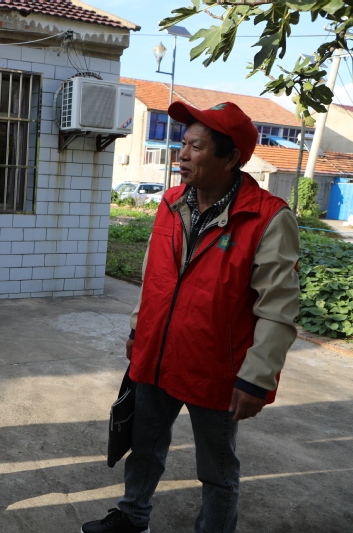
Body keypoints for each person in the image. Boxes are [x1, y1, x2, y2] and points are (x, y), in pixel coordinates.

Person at [81, 102, 300, 533]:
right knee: (143, 445)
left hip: (215, 368)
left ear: (230, 157)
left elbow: (277, 308)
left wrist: (257, 377)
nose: (181, 154)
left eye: (196, 147)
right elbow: (154, 276)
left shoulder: (267, 218)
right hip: (157, 354)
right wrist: (138, 328)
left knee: (216, 468)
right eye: (183, 144)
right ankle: (133, 517)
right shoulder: (171, 202)